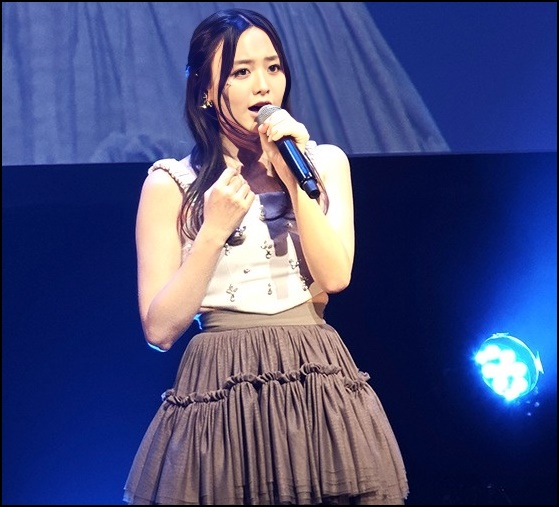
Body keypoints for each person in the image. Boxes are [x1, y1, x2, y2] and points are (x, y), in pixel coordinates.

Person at [123, 8, 408, 505]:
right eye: (241, 71)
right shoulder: (172, 184)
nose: (263, 85)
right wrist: (212, 232)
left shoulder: (324, 164)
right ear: (206, 91)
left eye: (273, 67)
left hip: (313, 375)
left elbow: (335, 276)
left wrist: (296, 183)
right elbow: (160, 329)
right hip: (221, 383)